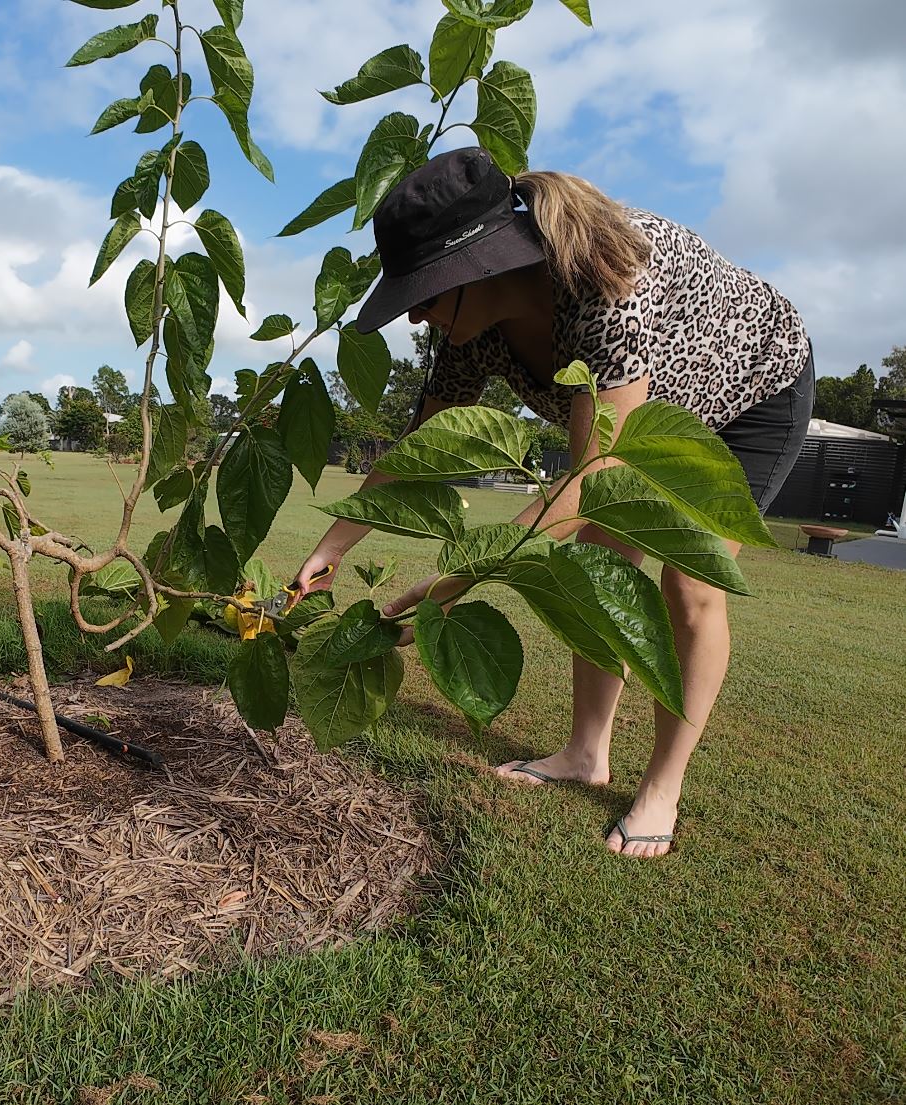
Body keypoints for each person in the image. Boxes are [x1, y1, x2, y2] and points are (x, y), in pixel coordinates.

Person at [293, 146, 813, 858]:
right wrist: (331, 546)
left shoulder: (601, 280)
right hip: (644, 418)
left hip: (750, 391)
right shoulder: (467, 333)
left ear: (479, 268)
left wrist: (450, 584)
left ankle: (662, 784)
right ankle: (583, 752)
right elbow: (419, 455)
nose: (415, 317)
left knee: (688, 585)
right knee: (598, 564)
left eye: (424, 292)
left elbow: (593, 477)